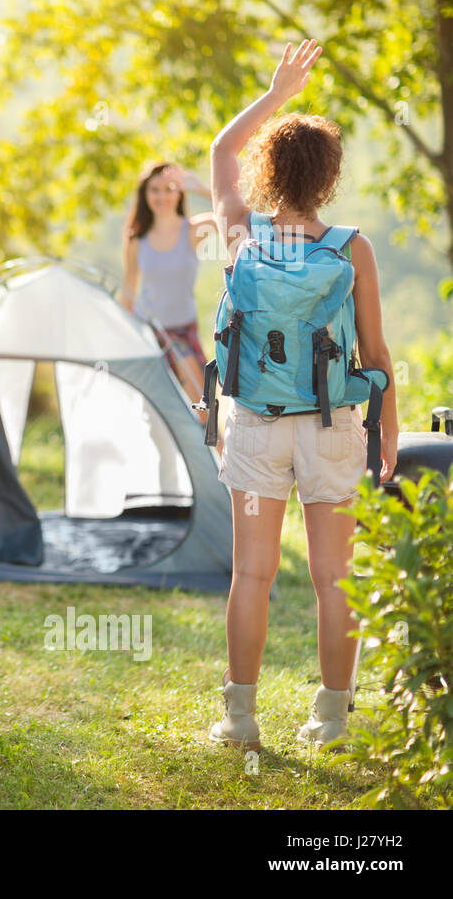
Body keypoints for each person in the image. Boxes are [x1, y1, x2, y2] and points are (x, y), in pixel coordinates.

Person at [207, 39, 398, 752]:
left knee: (252, 573)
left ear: (269, 169)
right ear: (330, 177)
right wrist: (386, 431)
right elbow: (375, 355)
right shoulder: (352, 247)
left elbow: (223, 147)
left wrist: (277, 93)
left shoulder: (240, 233)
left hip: (256, 423)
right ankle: (332, 719)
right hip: (331, 425)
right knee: (334, 579)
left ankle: (241, 718)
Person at [121, 162, 217, 411]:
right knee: (157, 418)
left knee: (204, 412)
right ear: (144, 194)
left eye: (169, 188)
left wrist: (201, 188)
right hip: (149, 334)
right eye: (154, 190)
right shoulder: (136, 239)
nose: (161, 196)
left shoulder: (194, 230)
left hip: (183, 333)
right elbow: (128, 291)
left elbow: (242, 217)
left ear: (179, 193)